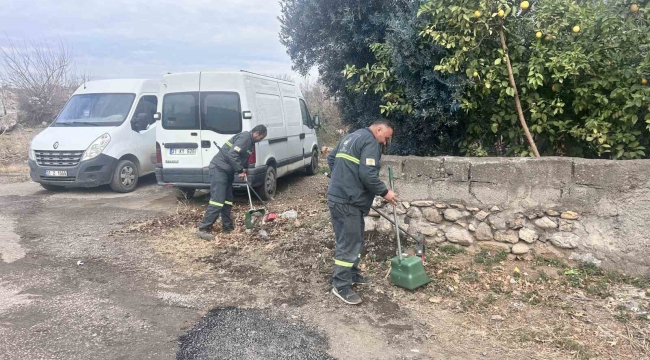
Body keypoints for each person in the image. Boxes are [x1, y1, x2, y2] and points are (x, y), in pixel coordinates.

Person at [327, 119, 398, 305]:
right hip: (348, 201)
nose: (384, 142)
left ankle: (352, 274)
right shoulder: (370, 142)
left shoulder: (351, 137)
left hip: (340, 198)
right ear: (379, 129)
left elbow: (331, 158)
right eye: (386, 137)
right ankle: (340, 285)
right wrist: (385, 192)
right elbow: (368, 175)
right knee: (348, 243)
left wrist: (342, 179)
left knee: (354, 238)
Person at [197, 125, 268, 240]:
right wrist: (239, 170)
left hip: (227, 171)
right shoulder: (245, 138)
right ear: (257, 133)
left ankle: (227, 227)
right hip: (219, 169)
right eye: (261, 137)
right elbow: (232, 154)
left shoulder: (250, 143)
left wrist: (245, 169)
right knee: (218, 200)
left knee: (228, 200)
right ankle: (203, 228)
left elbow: (243, 157)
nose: (261, 140)